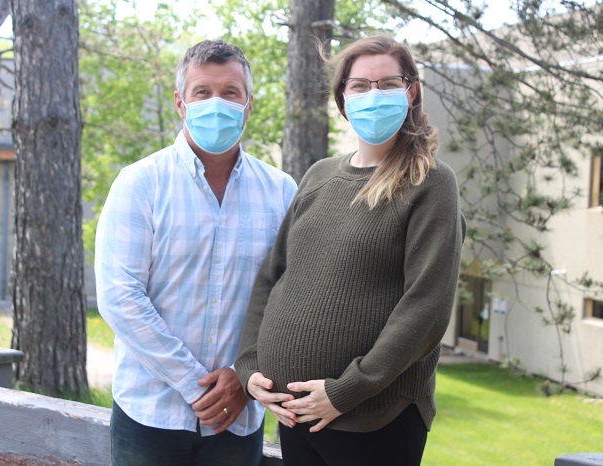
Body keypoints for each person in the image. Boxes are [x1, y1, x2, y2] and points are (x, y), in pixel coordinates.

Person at [235, 35, 466, 466]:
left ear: (410, 91)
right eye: (359, 85)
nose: (372, 95)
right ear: (342, 97)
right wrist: (249, 366)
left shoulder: (431, 184)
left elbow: (426, 308)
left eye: (387, 84)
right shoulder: (319, 176)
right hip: (295, 414)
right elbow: (272, 275)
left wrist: (345, 391)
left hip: (375, 419)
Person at [95, 39, 297, 466]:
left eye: (230, 92)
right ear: (180, 102)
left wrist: (245, 379)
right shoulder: (140, 183)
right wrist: (197, 385)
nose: (217, 103)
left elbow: (289, 299)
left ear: (249, 103)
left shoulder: (282, 191)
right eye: (202, 92)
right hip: (149, 414)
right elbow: (120, 296)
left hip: (237, 417)